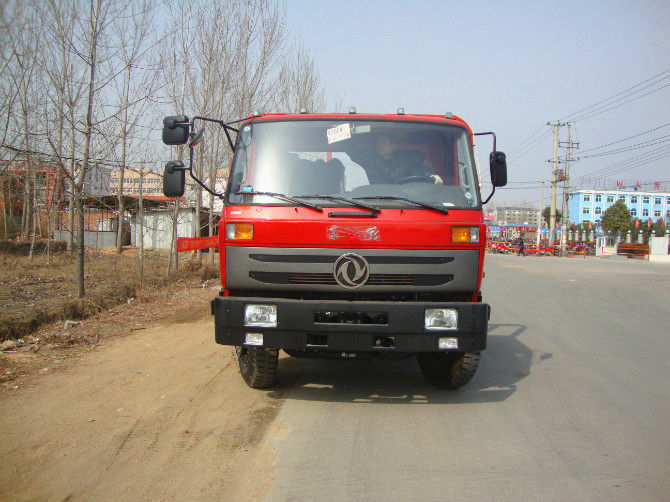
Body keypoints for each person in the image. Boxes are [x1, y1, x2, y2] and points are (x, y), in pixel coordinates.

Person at [365, 135, 436, 184]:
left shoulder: (405, 162)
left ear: (393, 146)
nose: (380, 146)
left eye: (384, 143)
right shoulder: (371, 162)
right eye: (378, 143)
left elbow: (418, 175)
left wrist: (430, 177)